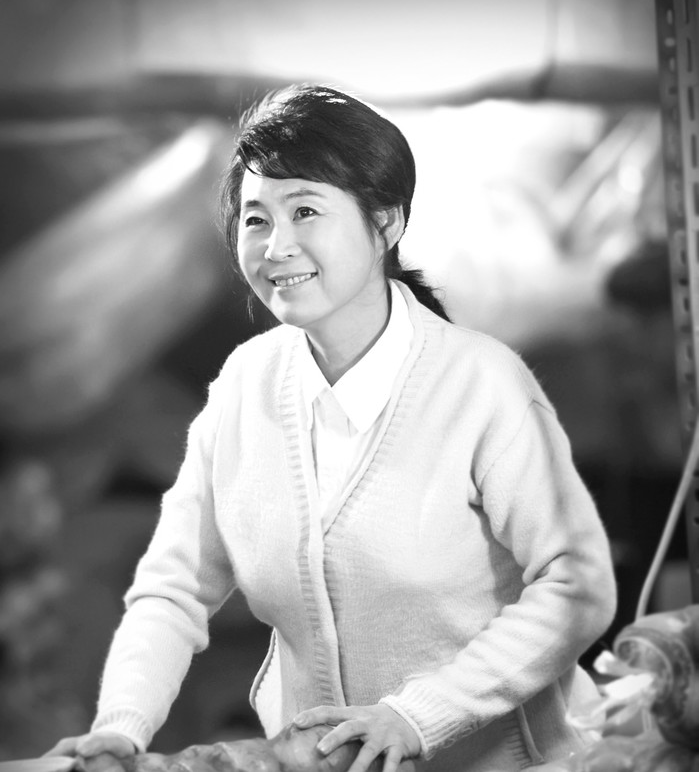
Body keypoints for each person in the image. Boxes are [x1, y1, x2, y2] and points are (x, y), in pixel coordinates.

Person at [47, 84, 617, 772]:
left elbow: (576, 585)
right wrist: (122, 727)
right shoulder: (244, 387)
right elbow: (174, 589)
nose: (276, 246)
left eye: (305, 211)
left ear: (386, 222)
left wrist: (417, 715)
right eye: (255, 220)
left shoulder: (481, 385)